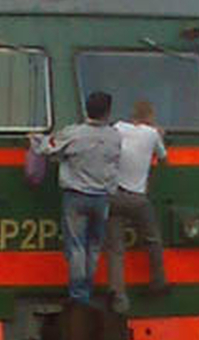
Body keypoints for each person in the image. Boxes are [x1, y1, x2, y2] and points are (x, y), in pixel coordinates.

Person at [31, 92, 122, 306]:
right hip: (102, 198)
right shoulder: (115, 136)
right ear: (107, 112)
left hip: (76, 197)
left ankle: (78, 294)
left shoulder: (74, 134)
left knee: (77, 246)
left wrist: (34, 138)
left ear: (86, 109)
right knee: (94, 246)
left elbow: (47, 147)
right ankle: (88, 288)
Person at [105, 100, 168, 314]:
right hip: (137, 198)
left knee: (115, 249)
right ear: (149, 116)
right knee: (152, 239)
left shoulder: (118, 128)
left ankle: (118, 294)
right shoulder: (152, 134)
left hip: (113, 196)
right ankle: (158, 282)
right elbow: (163, 158)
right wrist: (160, 135)